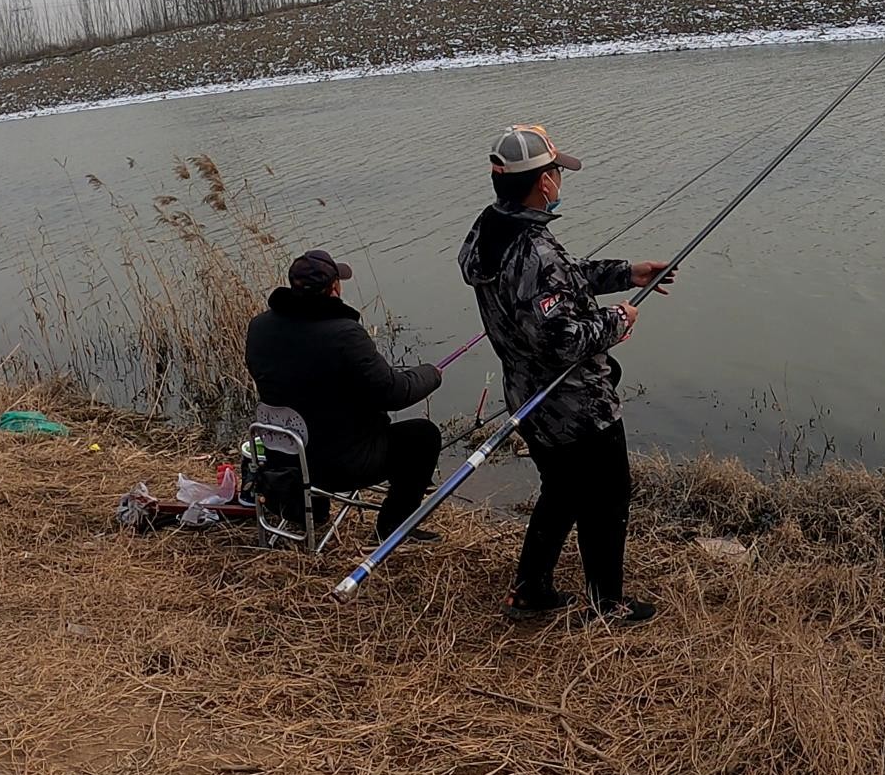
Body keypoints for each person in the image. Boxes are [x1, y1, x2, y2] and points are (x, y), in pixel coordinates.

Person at [458, 124, 673, 625]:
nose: (560, 179)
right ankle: (607, 606)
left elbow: (560, 284)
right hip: (576, 405)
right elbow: (562, 340)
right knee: (606, 496)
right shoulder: (535, 251)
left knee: (563, 491)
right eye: (556, 171)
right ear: (543, 184)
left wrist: (628, 272)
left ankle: (531, 590)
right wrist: (618, 320)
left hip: (527, 397)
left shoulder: (490, 227)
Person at [244, 249, 444, 542]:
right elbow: (394, 393)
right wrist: (431, 374)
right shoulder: (344, 334)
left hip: (285, 458)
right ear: (334, 288)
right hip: (339, 464)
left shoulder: (259, 327)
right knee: (423, 436)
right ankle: (393, 527)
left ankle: (306, 507)